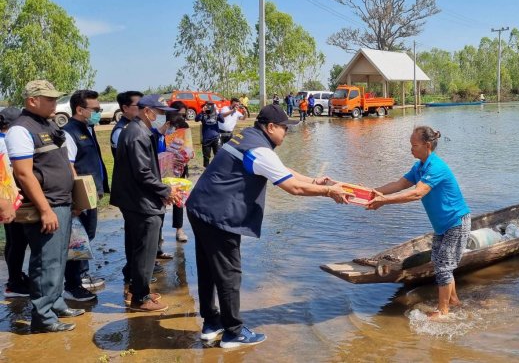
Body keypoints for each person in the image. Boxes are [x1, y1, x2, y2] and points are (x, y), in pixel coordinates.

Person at [185, 104, 351, 348]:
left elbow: (281, 170)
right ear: (270, 127)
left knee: (209, 268)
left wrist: (314, 180)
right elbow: (293, 188)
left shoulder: (248, 138)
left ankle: (212, 323)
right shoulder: (260, 149)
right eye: (284, 128)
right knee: (229, 273)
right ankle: (233, 332)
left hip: (201, 208)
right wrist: (328, 191)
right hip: (218, 216)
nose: (287, 132)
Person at [366, 126, 471, 319]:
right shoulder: (419, 167)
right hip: (443, 225)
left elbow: (417, 193)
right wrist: (372, 193)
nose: (411, 149)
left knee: (443, 267)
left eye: (414, 145)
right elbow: (399, 185)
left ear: (427, 145)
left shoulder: (436, 167)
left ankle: (443, 311)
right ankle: (454, 301)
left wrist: (384, 201)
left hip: (455, 222)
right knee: (441, 263)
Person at [6, 80, 83, 332]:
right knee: (45, 263)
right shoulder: (21, 129)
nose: (55, 103)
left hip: (62, 201)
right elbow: (24, 174)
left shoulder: (47, 124)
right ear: (32, 101)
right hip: (46, 206)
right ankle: (43, 317)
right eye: (49, 99)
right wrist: (45, 210)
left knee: (59, 259)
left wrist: (76, 198)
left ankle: (56, 303)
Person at [110, 94, 177, 312]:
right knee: (145, 250)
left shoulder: (139, 131)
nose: (161, 118)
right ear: (147, 111)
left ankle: (135, 289)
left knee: (137, 246)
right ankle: (140, 297)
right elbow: (143, 172)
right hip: (139, 201)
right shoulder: (137, 134)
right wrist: (166, 190)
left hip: (134, 198)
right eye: (159, 113)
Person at [62, 90, 109, 302]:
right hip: (81, 199)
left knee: (86, 237)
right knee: (75, 241)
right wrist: (79, 200)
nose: (98, 113)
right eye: (95, 110)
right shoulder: (69, 132)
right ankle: (72, 285)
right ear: (80, 109)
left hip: (91, 196)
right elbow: (70, 167)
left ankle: (81, 276)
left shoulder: (87, 128)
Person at [0, 107, 27, 298]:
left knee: (13, 241)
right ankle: (14, 284)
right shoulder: (5, 143)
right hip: (10, 199)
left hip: (8, 198)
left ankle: (15, 277)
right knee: (18, 241)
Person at [165, 101, 191, 243]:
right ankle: (159, 232)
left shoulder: (184, 126)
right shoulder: (163, 127)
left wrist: (187, 156)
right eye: (179, 114)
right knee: (161, 197)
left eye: (184, 115)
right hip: (163, 167)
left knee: (178, 198)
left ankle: (179, 229)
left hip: (179, 167)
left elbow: (189, 147)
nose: (182, 117)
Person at [111, 91, 143, 156]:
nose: (144, 108)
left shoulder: (137, 125)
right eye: (140, 105)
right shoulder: (120, 130)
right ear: (125, 108)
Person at [196, 102, 224, 168]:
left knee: (217, 155)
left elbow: (222, 120)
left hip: (216, 138)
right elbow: (196, 119)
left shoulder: (216, 114)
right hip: (206, 139)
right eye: (207, 106)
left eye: (210, 106)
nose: (209, 108)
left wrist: (218, 111)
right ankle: (206, 169)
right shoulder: (203, 114)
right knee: (206, 156)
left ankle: (217, 168)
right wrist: (202, 111)